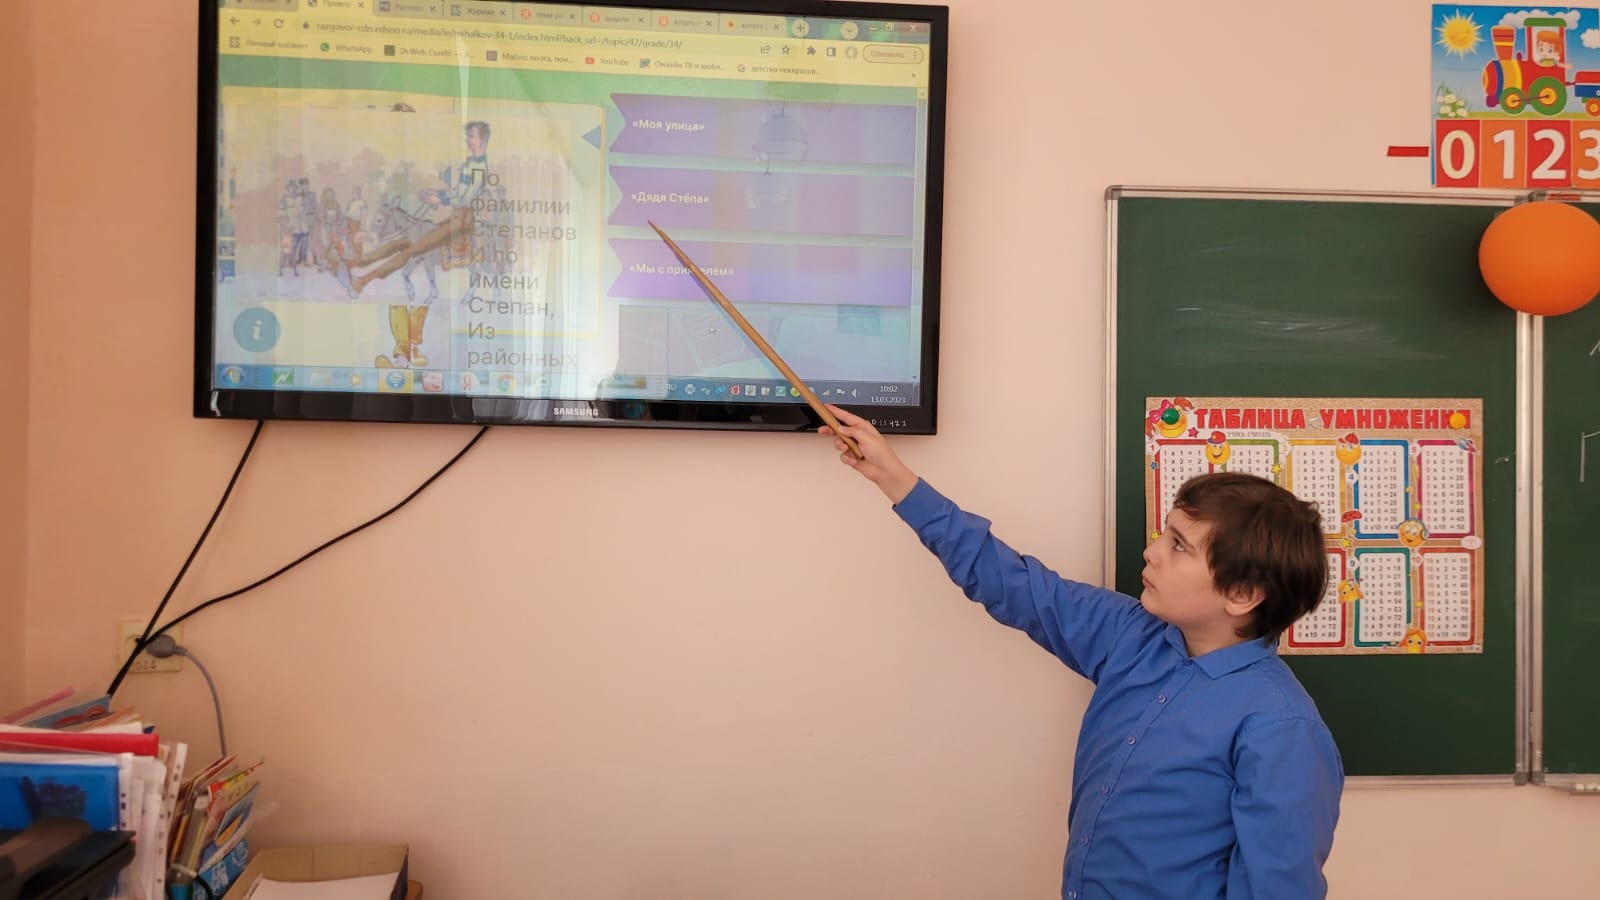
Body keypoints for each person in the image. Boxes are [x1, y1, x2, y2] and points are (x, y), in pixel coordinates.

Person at [817, 405, 1343, 899]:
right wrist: (894, 477)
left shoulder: (1280, 728)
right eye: (1164, 535)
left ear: (1242, 595)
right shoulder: (1130, 634)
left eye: (1179, 546)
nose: (1151, 552)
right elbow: (1011, 583)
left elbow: (1276, 888)